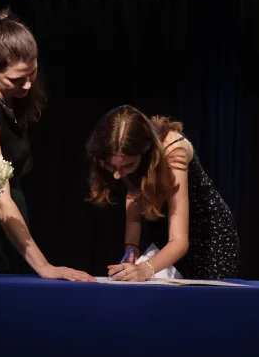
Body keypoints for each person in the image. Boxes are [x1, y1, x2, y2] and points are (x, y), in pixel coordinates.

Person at [0, 9, 94, 281]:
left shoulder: (7, 97)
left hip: (7, 224)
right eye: (17, 79)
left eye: (32, 74)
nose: (27, 85)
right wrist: (45, 267)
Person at [86, 105, 240, 280]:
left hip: (208, 237)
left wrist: (146, 269)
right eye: (111, 166)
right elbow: (134, 193)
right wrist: (131, 246)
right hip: (166, 234)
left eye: (127, 166)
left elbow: (180, 241)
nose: (117, 175)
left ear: (145, 151)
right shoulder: (129, 158)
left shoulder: (173, 150)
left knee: (202, 296)